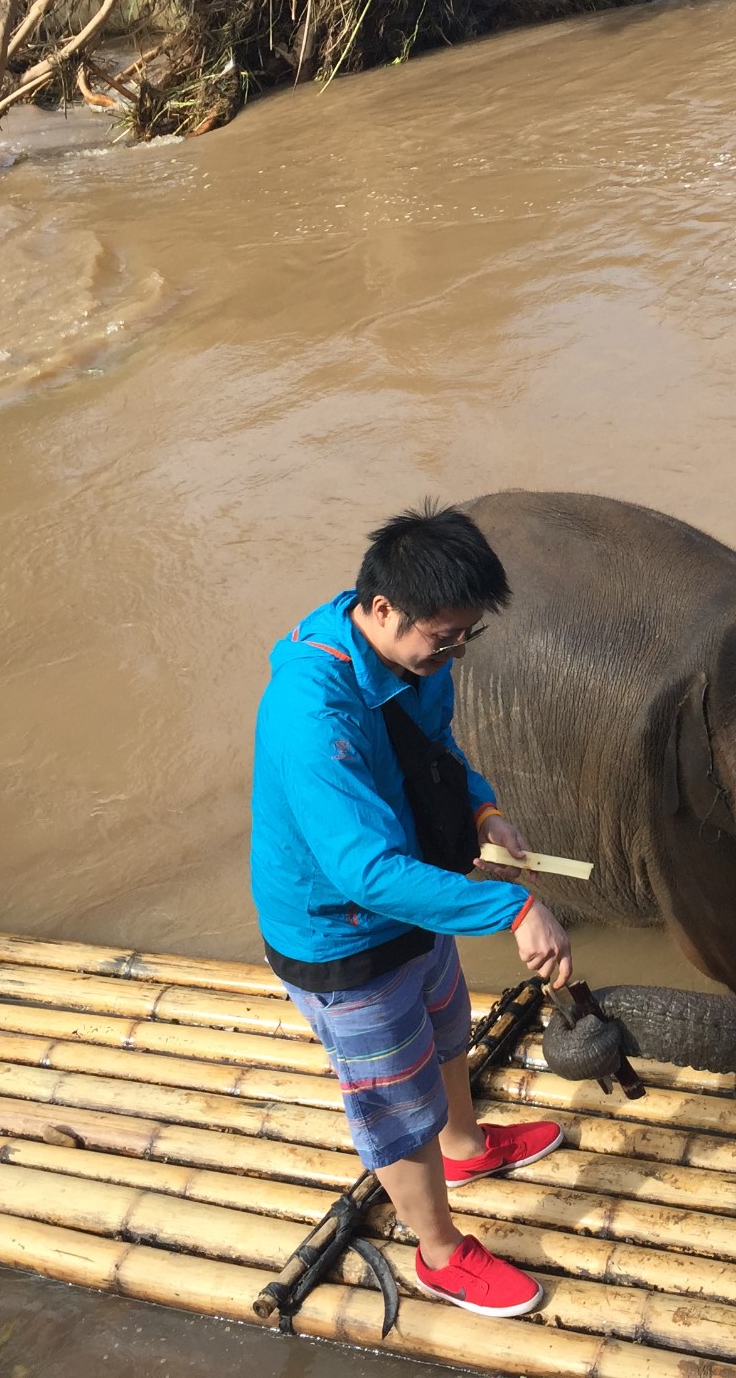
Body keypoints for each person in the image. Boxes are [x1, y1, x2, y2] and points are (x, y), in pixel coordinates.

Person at [250, 502, 572, 1318]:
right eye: (446, 636)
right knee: (396, 1099)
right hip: (345, 931)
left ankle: (463, 1146)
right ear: (383, 608)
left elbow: (437, 752)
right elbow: (362, 871)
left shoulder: (414, 655)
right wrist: (514, 908)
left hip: (418, 891)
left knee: (443, 1024)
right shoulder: (311, 712)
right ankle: (437, 1251)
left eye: (469, 635)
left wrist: (481, 811)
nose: (457, 651)